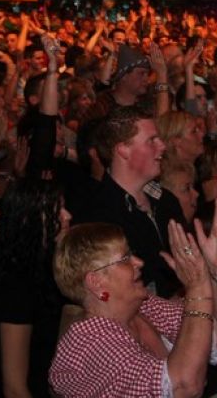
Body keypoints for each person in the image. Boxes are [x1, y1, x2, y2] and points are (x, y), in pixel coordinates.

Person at [47, 213, 217, 398]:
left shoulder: (143, 306)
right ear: (96, 282)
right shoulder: (88, 341)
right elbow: (184, 389)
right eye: (125, 258)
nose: (139, 262)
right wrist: (198, 289)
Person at [0, 179, 71, 398]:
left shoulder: (40, 272)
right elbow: (14, 388)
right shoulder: (17, 288)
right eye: (56, 210)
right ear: (28, 219)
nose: (67, 216)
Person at [75, 106, 185, 297]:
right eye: (152, 140)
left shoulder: (166, 201)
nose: (162, 146)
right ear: (123, 150)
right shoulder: (97, 215)